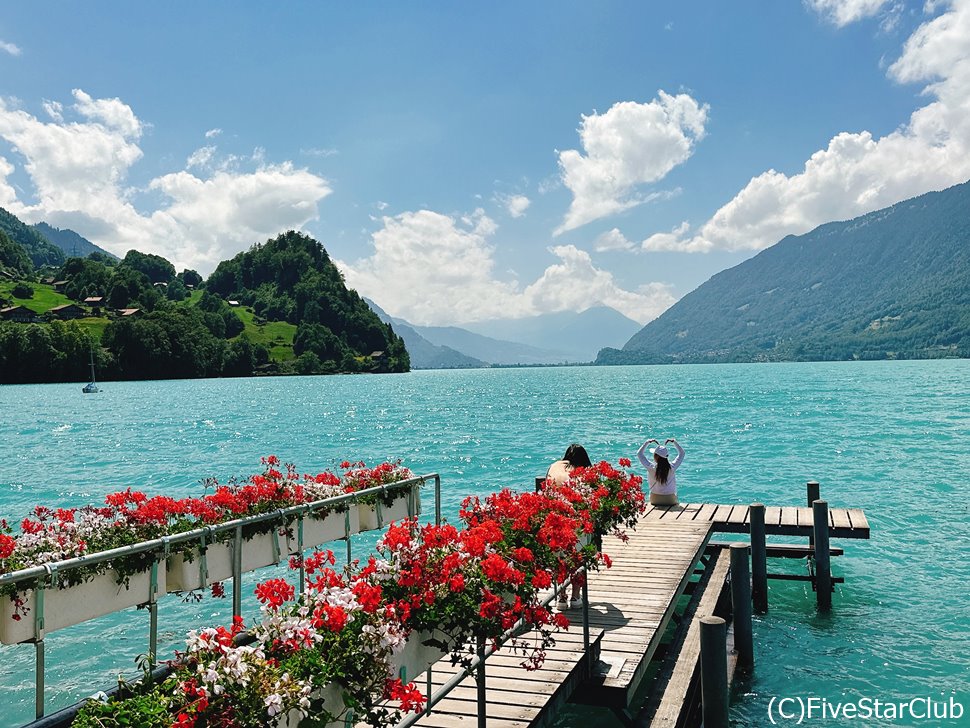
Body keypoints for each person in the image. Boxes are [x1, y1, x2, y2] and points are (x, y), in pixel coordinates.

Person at [545, 443, 592, 610]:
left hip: (554, 522)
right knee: (578, 560)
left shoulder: (554, 467)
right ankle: (576, 597)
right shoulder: (580, 472)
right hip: (575, 523)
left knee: (559, 561)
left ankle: (561, 599)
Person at [636, 437, 685, 506]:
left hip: (655, 499)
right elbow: (682, 453)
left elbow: (639, 454)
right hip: (670, 500)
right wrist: (674, 442)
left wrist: (647, 442)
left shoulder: (651, 467)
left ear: (656, 456)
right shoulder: (672, 467)